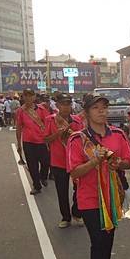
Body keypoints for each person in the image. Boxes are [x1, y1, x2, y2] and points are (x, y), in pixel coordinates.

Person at [67, 94, 130, 259]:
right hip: (89, 199)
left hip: (113, 197)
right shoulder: (77, 139)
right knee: (98, 240)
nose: (102, 111)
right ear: (86, 112)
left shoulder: (118, 134)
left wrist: (117, 164)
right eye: (96, 108)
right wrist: (95, 161)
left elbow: (128, 163)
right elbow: (74, 172)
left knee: (109, 236)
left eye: (104, 107)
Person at [44, 94, 85, 228]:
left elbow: (82, 140)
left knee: (80, 189)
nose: (66, 107)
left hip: (75, 162)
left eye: (68, 104)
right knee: (61, 191)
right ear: (58, 106)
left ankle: (77, 213)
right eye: (63, 104)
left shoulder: (77, 121)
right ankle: (65, 217)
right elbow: (46, 140)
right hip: (58, 161)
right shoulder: (50, 120)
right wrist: (58, 134)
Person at [16, 89, 51, 194]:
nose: (28, 98)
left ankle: (43, 176)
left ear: (34, 97)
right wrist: (19, 143)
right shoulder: (21, 111)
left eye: (30, 95)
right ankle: (37, 186)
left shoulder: (41, 109)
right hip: (28, 142)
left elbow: (48, 124)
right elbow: (19, 128)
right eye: (25, 96)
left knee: (46, 162)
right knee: (32, 165)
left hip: (42, 141)